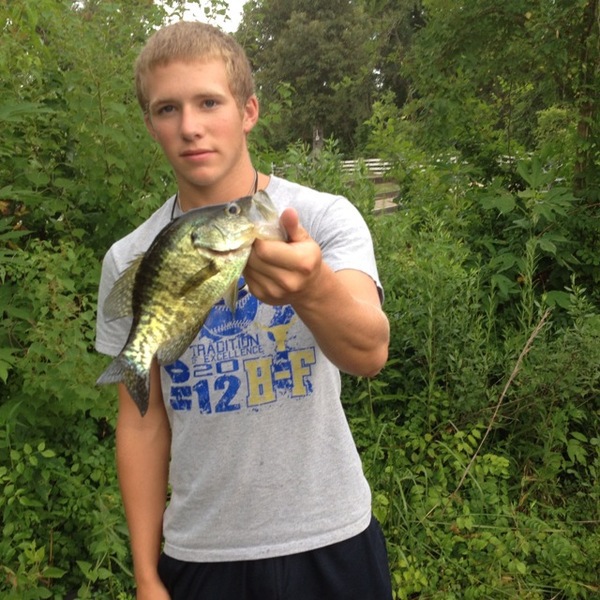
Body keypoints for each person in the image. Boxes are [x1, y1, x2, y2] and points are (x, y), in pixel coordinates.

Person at [95, 20, 391, 600]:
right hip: (201, 555)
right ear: (150, 124)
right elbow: (142, 422)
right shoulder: (131, 257)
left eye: (209, 102)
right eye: (167, 109)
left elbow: (369, 353)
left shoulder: (323, 217)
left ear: (248, 109)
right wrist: (146, 574)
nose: (190, 127)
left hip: (332, 540)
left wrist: (313, 288)